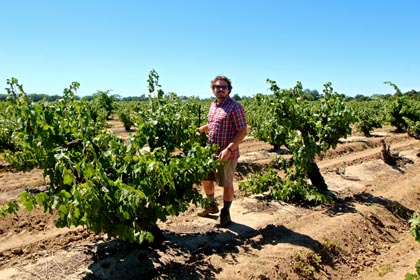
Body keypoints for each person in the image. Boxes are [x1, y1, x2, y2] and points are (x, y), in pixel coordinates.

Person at [197, 75, 247, 227]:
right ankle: (211, 205)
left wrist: (229, 149)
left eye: (223, 87)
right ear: (213, 89)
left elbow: (242, 130)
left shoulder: (235, 107)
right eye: (217, 87)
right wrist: (200, 130)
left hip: (227, 153)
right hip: (209, 152)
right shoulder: (213, 105)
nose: (220, 89)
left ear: (229, 90)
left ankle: (226, 212)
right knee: (206, 179)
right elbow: (212, 124)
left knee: (226, 183)